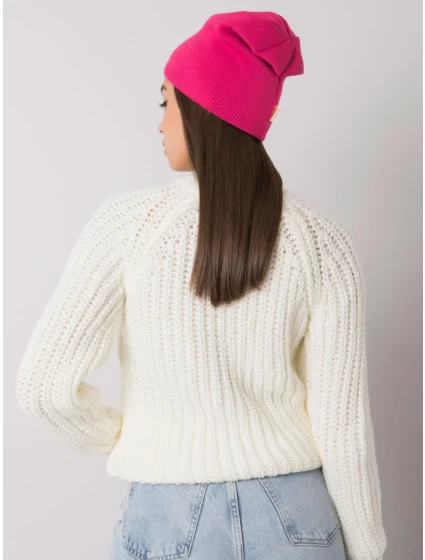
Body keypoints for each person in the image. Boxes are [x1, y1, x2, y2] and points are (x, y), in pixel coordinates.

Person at [15, 10, 387, 560]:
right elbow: (344, 431)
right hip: (298, 518)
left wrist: (125, 437)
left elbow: (44, 389)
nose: (160, 123)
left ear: (204, 109)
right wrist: (368, 548)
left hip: (167, 515)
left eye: (166, 103)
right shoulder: (322, 243)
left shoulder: (128, 227)